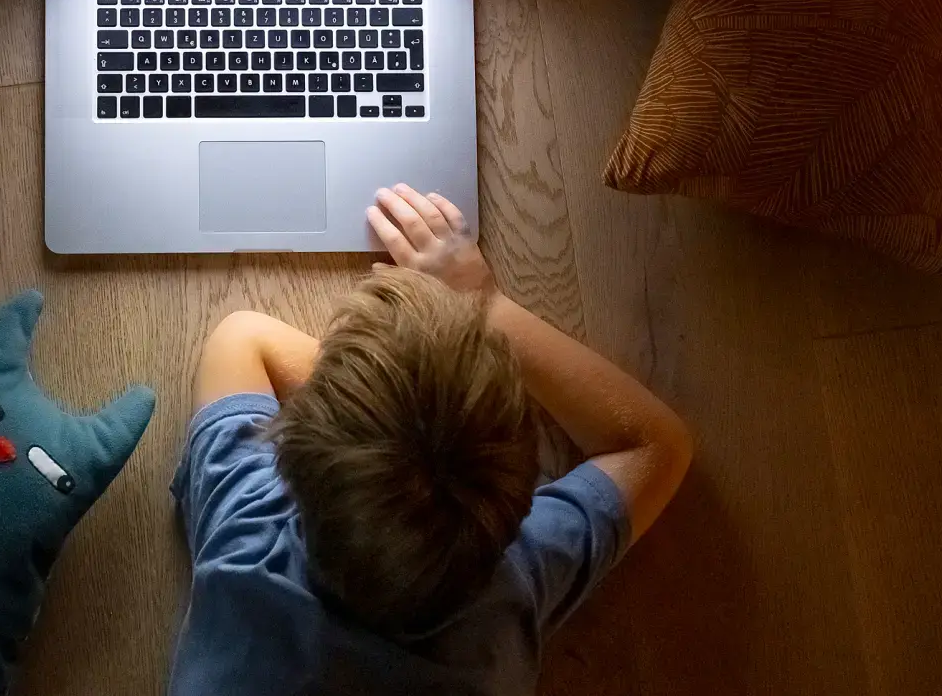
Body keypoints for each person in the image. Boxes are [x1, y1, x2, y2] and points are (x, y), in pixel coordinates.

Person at [168, 185, 694, 695]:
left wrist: (361, 396)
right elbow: (655, 446)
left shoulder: (246, 537)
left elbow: (241, 335)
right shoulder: (510, 591)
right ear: (521, 489)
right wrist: (485, 303)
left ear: (288, 456)